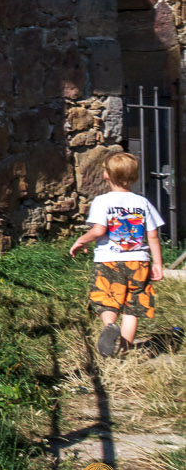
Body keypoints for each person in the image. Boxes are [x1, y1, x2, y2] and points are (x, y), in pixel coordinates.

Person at [69, 150, 166, 358]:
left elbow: (99, 230)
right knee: (133, 307)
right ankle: (123, 351)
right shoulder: (142, 203)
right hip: (139, 262)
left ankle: (110, 325)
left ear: (106, 175)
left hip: (108, 260)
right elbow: (153, 236)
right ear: (135, 177)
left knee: (107, 299)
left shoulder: (102, 202)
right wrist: (157, 263)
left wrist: (80, 240)